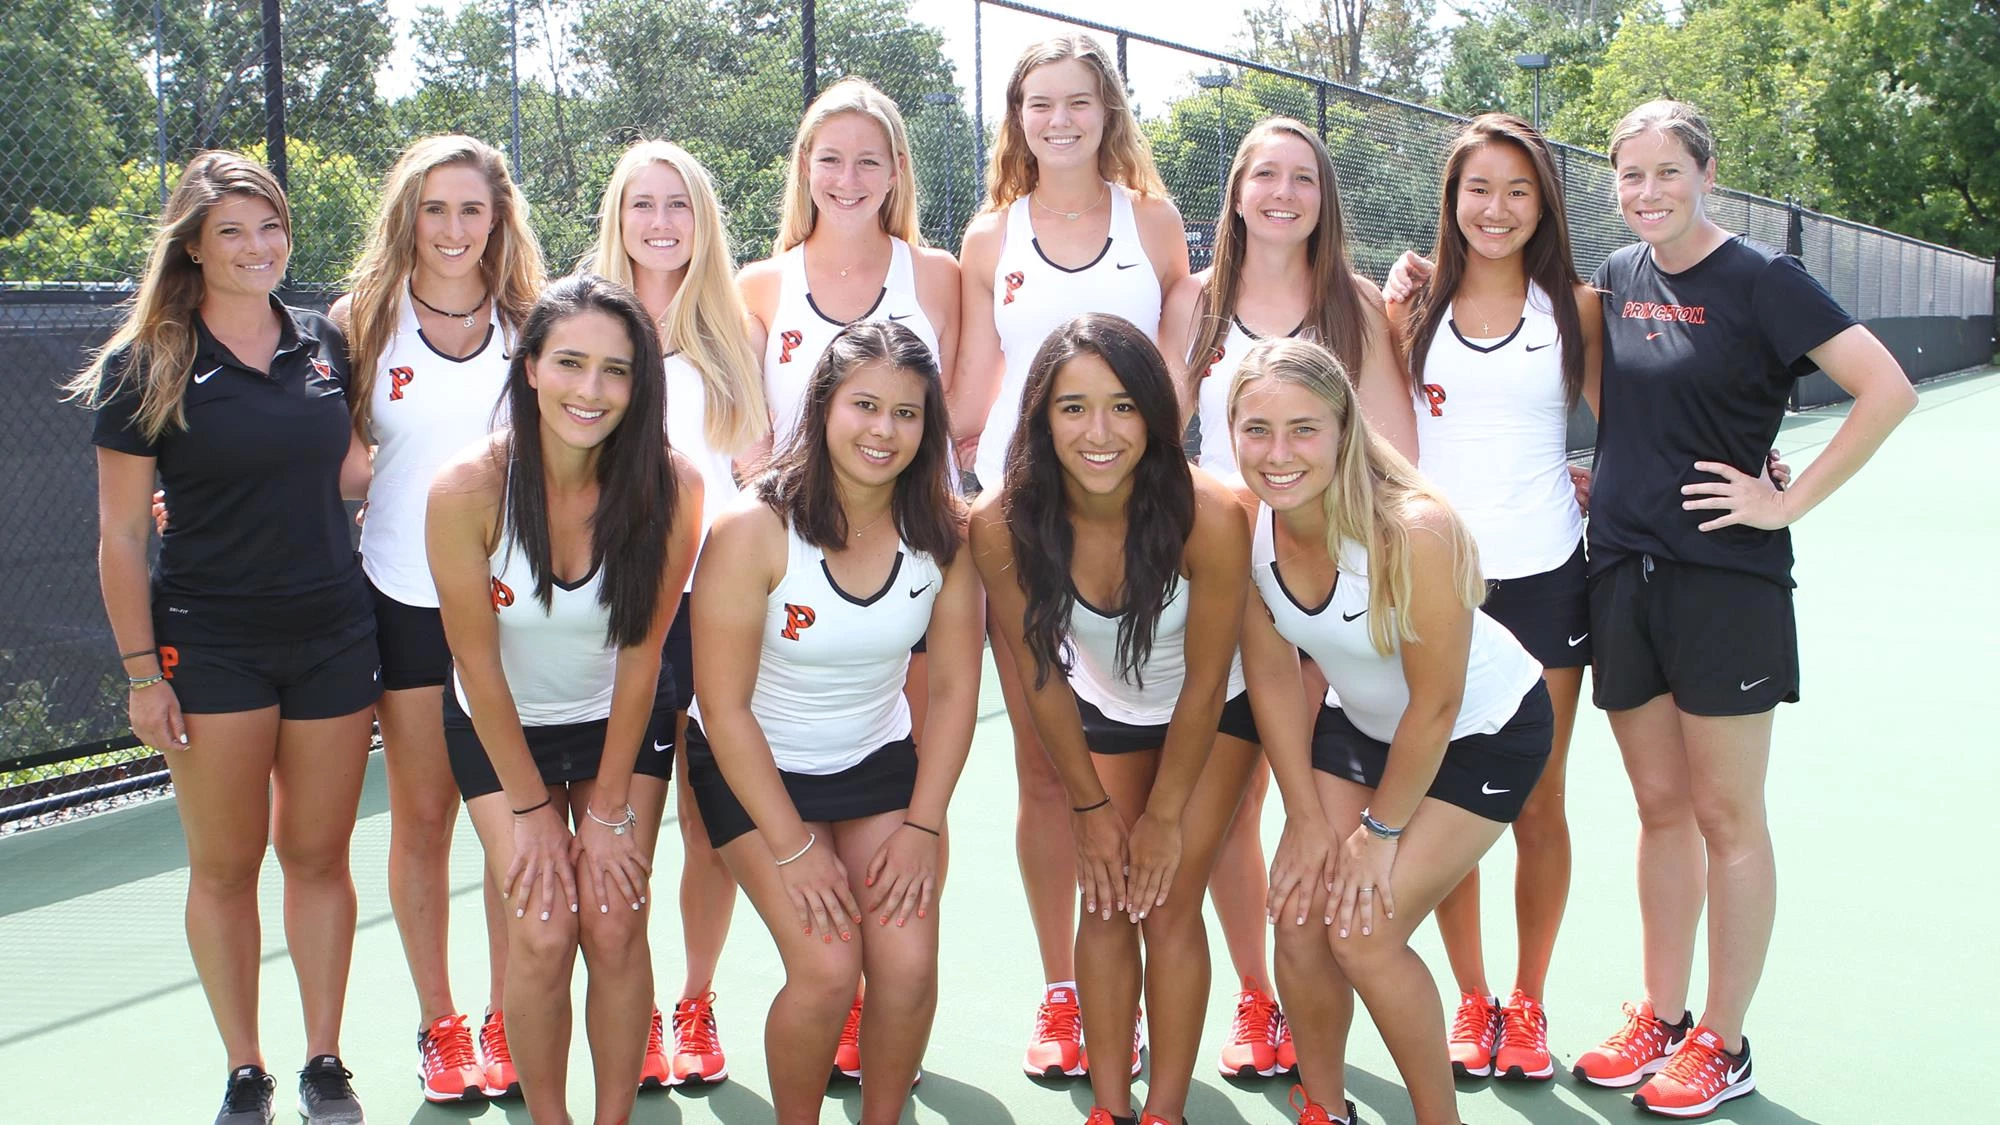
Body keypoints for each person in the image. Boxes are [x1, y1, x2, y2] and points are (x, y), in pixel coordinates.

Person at [73, 151, 376, 1125]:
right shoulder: (147, 362)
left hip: (335, 634)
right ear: (194, 250)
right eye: (232, 232)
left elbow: (348, 466)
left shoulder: (324, 340)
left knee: (320, 856)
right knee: (225, 866)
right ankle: (247, 1070)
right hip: (210, 649)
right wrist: (137, 675)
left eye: (270, 227)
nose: (258, 247)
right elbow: (120, 534)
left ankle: (324, 1063)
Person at [1228, 336, 1553, 1125]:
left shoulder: (1414, 530)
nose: (1278, 454)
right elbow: (1273, 674)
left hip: (1482, 730)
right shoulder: (1244, 526)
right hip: (1361, 725)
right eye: (1256, 428)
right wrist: (1305, 819)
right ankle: (1324, 1107)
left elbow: (1436, 707)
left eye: (1303, 428)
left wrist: (1377, 832)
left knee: (1363, 935)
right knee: (1301, 916)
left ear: (1344, 429)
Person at [947, 33, 1192, 1078]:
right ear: (1016, 117)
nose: (1058, 120)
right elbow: (968, 392)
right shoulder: (986, 237)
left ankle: (1165, 972)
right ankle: (1066, 992)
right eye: (1038, 104)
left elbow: (1178, 343)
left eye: (1077, 102)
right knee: (1047, 773)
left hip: (1141, 527)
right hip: (1028, 524)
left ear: (1107, 112)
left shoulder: (1151, 221)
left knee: (1157, 763)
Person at [1156, 115, 1419, 1078]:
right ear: (1234, 192)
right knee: (1236, 804)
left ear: (1324, 197)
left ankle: (1324, 990)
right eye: (1263, 174)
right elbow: (1154, 436)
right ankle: (1257, 996)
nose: (1281, 192)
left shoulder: (1351, 301)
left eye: (1301, 177)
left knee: (1326, 793)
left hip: (1333, 589)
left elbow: (1393, 446)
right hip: (1233, 590)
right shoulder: (1196, 301)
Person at [686, 321, 981, 1124]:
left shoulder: (947, 535)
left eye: (907, 413)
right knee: (825, 970)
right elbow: (724, 707)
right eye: (864, 405)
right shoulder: (753, 530)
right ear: (822, 407)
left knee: (909, 964)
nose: (884, 430)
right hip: (753, 770)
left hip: (875, 762)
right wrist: (793, 844)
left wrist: (924, 824)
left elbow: (953, 693)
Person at [426, 274, 702, 1125]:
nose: (592, 390)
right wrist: (534, 808)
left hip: (621, 721)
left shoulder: (673, 487)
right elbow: (475, 665)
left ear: (641, 383)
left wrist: (610, 807)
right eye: (572, 363)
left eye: (616, 370)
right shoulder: (465, 490)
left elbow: (643, 654)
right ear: (532, 367)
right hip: (504, 728)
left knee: (616, 920)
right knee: (544, 928)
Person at [970, 313, 1258, 1125]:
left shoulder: (1210, 512)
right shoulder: (1002, 521)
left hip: (1215, 712)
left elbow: (1206, 682)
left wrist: (1163, 816)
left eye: (1123, 406)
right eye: (1073, 408)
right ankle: (1108, 1106)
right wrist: (1091, 812)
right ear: (1040, 417)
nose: (1100, 432)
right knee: (1104, 896)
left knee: (1165, 898)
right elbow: (1040, 674)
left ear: (1156, 416)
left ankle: (1163, 1110)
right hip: (1107, 708)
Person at [737, 76, 962, 1071]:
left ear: (896, 171)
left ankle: (882, 1006)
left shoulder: (939, 276)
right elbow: (751, 439)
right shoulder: (759, 284)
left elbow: (965, 407)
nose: (848, 176)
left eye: (869, 157)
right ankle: (718, 997)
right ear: (803, 170)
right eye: (829, 157)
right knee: (809, 917)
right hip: (797, 567)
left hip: (903, 565)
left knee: (901, 892)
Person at [1383, 112, 1601, 1084]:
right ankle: (1471, 998)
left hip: (1549, 579)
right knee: (1450, 798)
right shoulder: (1410, 310)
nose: (1496, 209)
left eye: (1517, 190)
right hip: (1438, 594)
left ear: (1541, 203)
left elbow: (1633, 431)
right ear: (1451, 200)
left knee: (1536, 803)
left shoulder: (1576, 311)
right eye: (1478, 189)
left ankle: (1529, 1002)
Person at [334, 132, 544, 1102]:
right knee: (422, 819)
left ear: (497, 219)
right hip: (403, 605)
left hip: (513, 615)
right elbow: (331, 463)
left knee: (510, 824)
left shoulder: (535, 325)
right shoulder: (360, 322)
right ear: (406, 218)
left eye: (472, 209)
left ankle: (506, 1019)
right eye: (435, 209)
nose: (454, 229)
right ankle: (441, 1026)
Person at [578, 137, 770, 1088]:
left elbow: (757, 464)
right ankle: (639, 1007)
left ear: (704, 221)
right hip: (606, 600)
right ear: (618, 217)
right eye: (642, 205)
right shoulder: (583, 319)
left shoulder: (732, 326)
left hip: (712, 601)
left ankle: (695, 1004)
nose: (661, 223)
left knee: (707, 822)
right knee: (624, 820)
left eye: (679, 206)